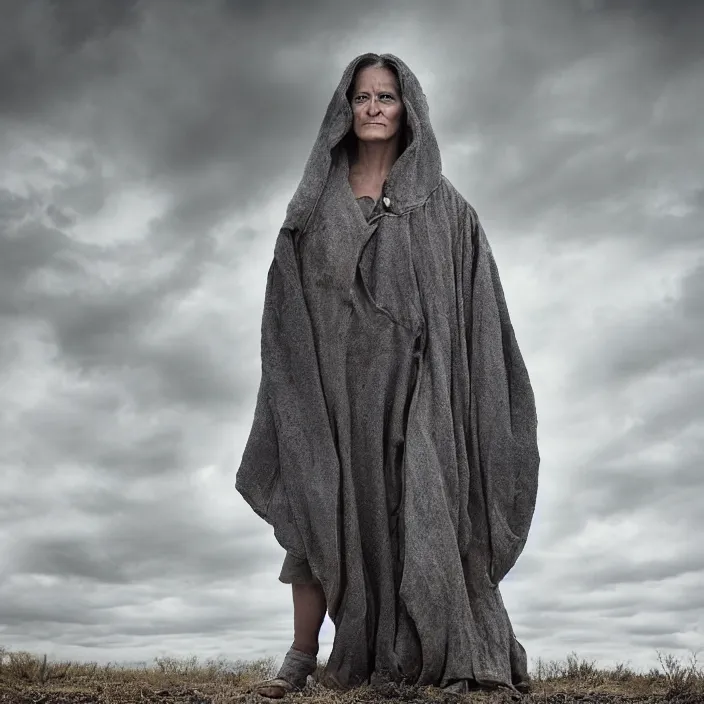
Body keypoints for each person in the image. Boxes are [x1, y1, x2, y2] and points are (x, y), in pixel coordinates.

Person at [236, 53, 540, 698]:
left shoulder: (446, 209)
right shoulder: (314, 204)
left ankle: (416, 647)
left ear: (410, 110)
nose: (373, 108)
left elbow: (473, 308)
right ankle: (300, 656)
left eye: (387, 97)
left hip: (420, 396)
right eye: (362, 96)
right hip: (334, 389)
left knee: (423, 513)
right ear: (345, 109)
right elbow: (292, 302)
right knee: (315, 498)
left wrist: (443, 385)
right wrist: (300, 384)